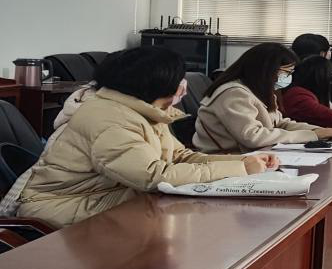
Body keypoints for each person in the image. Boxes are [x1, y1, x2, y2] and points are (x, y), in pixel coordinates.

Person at [16, 47, 273, 226]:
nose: (183, 86)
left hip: (102, 196)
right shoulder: (109, 118)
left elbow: (180, 157)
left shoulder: (144, 110)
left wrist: (242, 162)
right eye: (180, 80)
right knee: (173, 214)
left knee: (179, 213)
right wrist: (241, 169)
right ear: (159, 83)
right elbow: (153, 176)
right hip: (61, 207)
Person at [194, 43, 332, 152]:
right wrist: (312, 135)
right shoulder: (233, 93)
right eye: (286, 72)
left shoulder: (259, 90)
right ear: (266, 70)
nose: (288, 77)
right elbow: (253, 137)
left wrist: (320, 131)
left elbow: (280, 124)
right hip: (226, 159)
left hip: (253, 155)